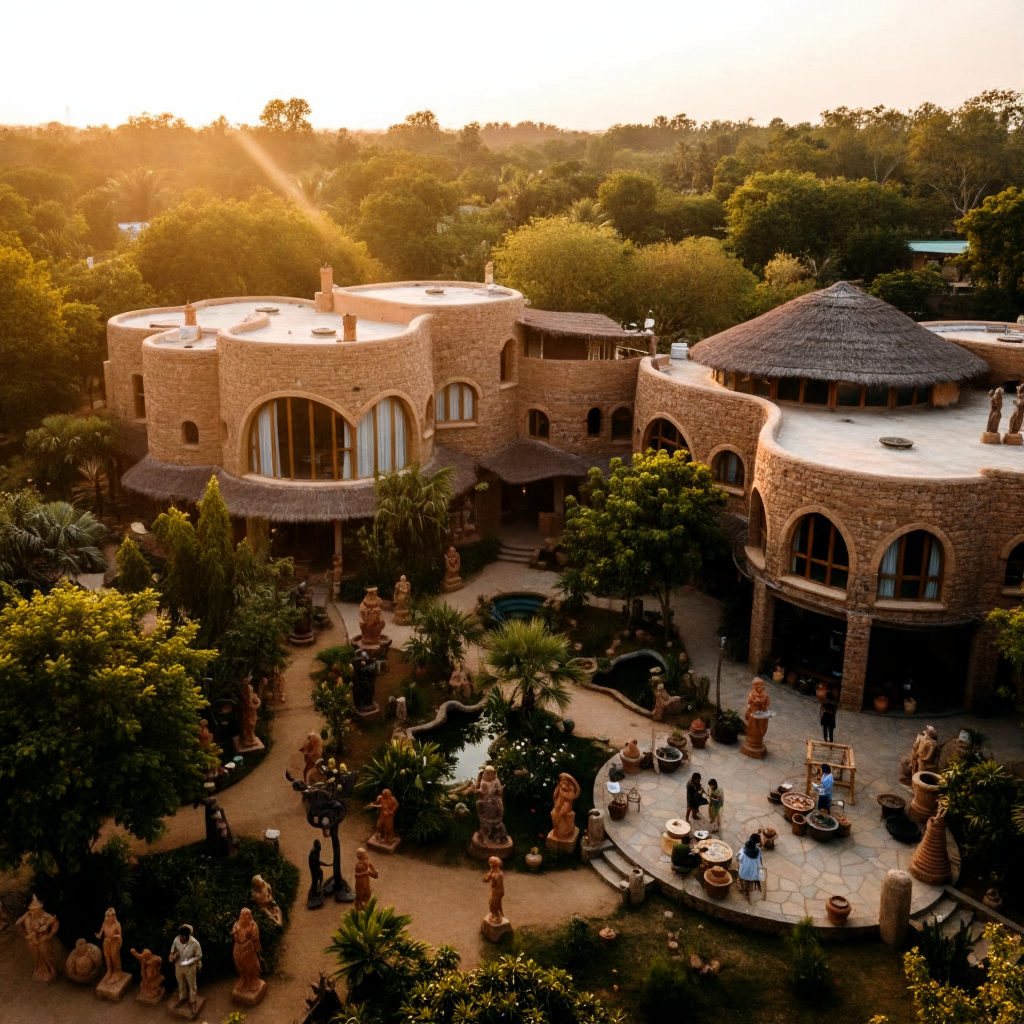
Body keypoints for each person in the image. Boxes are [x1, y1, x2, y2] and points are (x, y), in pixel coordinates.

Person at [168, 924, 202, 1011]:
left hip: (190, 968)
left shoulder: (195, 943)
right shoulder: (176, 940)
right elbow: (172, 950)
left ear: (187, 936)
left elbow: (199, 956)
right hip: (178, 966)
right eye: (180, 936)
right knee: (181, 983)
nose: (181, 938)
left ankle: (193, 1001)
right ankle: (182, 998)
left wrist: (189, 961)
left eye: (183, 937)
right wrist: (172, 956)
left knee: (192, 984)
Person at [736, 833, 764, 900]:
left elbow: (739, 858)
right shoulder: (758, 852)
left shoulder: (744, 850)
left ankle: (741, 885)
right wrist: (761, 872)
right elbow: (760, 864)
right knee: (755, 868)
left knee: (740, 866)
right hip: (754, 876)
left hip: (743, 874)